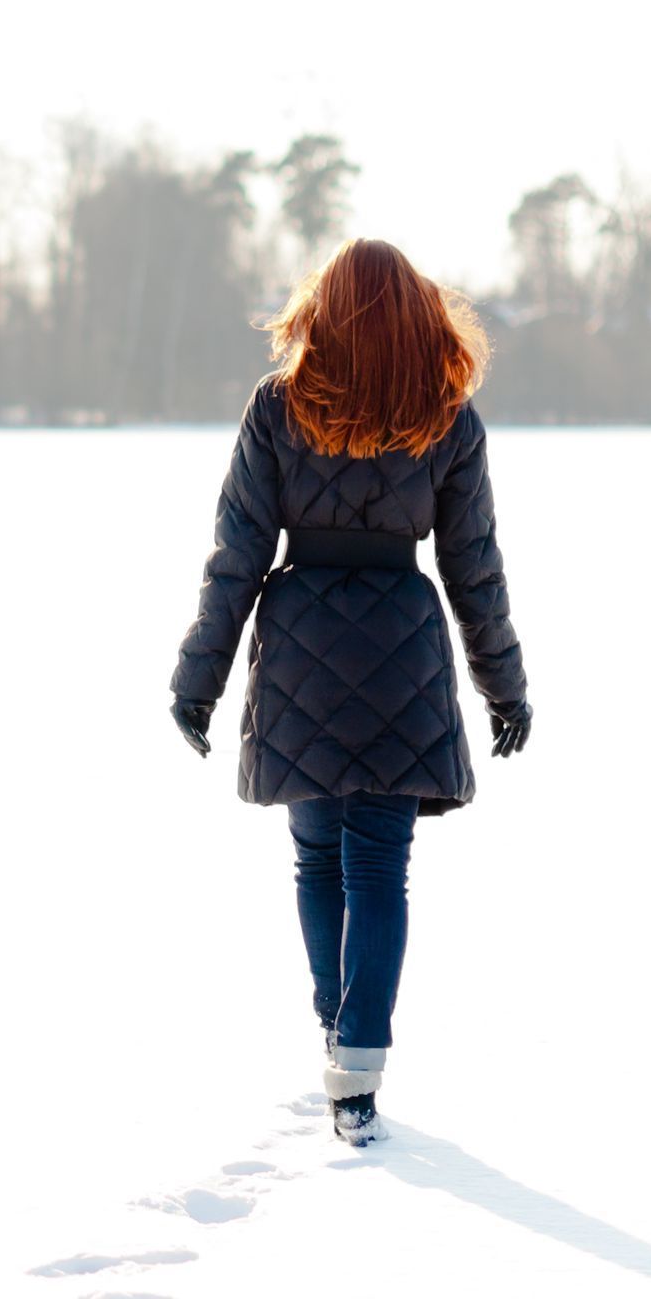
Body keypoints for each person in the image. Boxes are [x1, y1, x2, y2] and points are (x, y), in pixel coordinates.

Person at [167, 238, 533, 1147]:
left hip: (298, 650)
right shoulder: (448, 417)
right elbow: (474, 570)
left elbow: (237, 556)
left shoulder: (278, 409)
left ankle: (337, 1029)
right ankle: (359, 1063)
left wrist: (198, 680)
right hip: (403, 651)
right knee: (379, 864)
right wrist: (504, 686)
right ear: (419, 315)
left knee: (318, 860)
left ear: (321, 314)